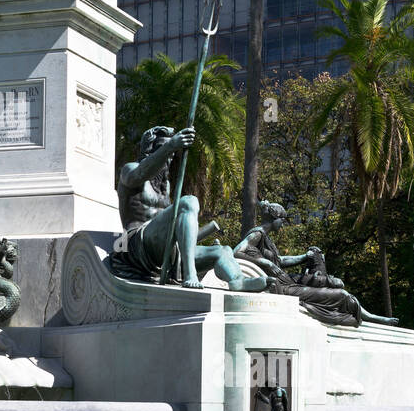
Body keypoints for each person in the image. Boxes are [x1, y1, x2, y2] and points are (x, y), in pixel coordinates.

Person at [112, 125, 267, 291]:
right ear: (148, 151)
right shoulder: (129, 170)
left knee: (222, 251)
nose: (169, 157)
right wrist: (170, 145)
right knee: (189, 202)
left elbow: (171, 227)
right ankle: (190, 275)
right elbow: (141, 174)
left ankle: (238, 280)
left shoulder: (166, 185)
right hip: (137, 245)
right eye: (163, 149)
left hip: (165, 251)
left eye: (171, 154)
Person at [233, 202, 397, 327]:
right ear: (274, 219)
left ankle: (368, 314)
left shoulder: (266, 238)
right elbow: (236, 252)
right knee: (342, 295)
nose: (283, 224)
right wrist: (265, 262)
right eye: (282, 220)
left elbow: (281, 261)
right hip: (284, 288)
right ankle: (371, 317)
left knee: (318, 258)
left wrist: (305, 256)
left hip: (288, 281)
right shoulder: (257, 234)